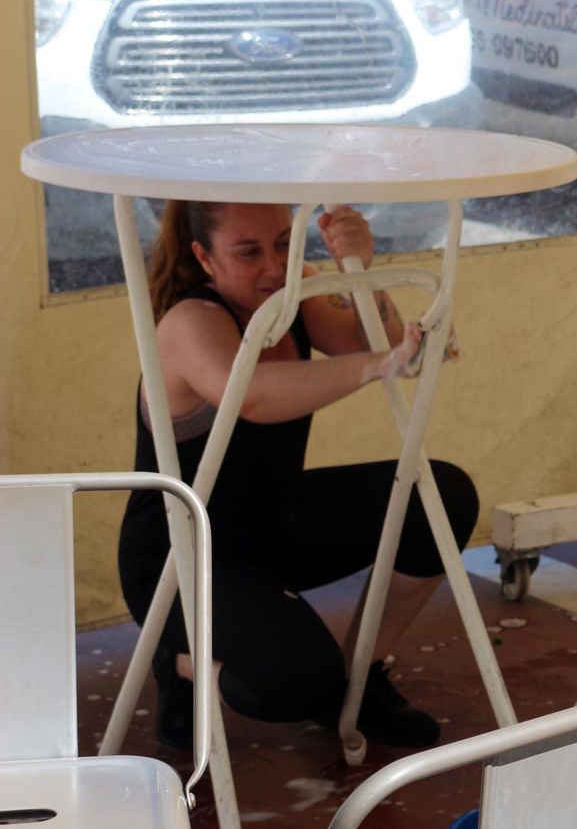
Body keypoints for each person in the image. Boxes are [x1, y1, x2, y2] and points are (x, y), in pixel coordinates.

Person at [119, 200, 478, 752]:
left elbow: (381, 345)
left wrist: (357, 269)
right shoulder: (190, 322)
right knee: (301, 680)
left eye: (285, 244)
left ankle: (359, 678)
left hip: (274, 526)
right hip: (180, 560)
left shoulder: (297, 290)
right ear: (205, 257)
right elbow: (252, 395)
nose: (274, 266)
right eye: (248, 252)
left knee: (440, 497)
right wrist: (377, 366)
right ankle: (181, 662)